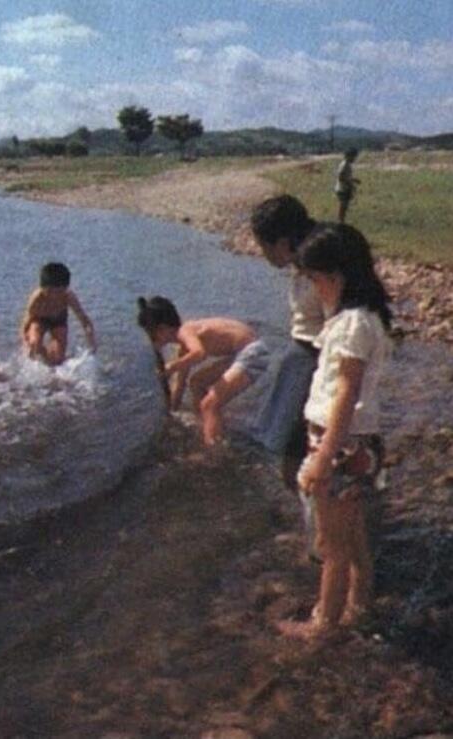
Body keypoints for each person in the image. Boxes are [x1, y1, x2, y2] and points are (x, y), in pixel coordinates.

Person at [279, 224, 392, 639]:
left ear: (336, 277)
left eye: (314, 279)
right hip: (361, 442)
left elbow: (346, 391)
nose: (313, 289)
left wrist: (324, 457)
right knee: (355, 535)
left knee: (330, 545)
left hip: (339, 443)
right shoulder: (368, 318)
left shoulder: (350, 326)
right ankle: (358, 606)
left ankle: (322, 626)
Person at [250, 195, 323, 496]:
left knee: (296, 451)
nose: (263, 255)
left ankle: (314, 511)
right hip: (303, 356)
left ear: (281, 243)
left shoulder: (318, 270)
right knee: (291, 448)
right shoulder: (303, 264)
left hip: (312, 360)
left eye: (264, 247)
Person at [137, 296, 269, 446]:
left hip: (252, 351)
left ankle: (214, 448)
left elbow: (199, 353)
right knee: (196, 382)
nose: (151, 340)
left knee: (209, 404)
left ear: (162, 329)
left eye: (151, 334)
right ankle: (207, 424)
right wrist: (171, 411)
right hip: (241, 352)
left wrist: (171, 367)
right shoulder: (184, 347)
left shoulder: (185, 331)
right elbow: (179, 385)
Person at [21, 262, 97, 366]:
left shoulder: (69, 297)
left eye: (58, 292)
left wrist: (91, 341)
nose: (54, 296)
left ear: (65, 288)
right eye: (50, 292)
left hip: (58, 320)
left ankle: (54, 363)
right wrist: (25, 341)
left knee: (58, 358)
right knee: (34, 344)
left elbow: (84, 320)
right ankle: (43, 357)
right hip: (39, 319)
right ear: (42, 288)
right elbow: (26, 323)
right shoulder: (37, 298)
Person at [335, 148, 360, 223]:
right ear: (349, 156)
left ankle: (341, 220)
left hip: (345, 188)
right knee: (343, 206)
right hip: (342, 189)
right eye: (353, 157)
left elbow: (346, 176)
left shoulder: (347, 165)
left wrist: (353, 180)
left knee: (345, 206)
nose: (354, 159)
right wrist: (349, 183)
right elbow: (340, 177)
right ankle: (340, 221)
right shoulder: (344, 165)